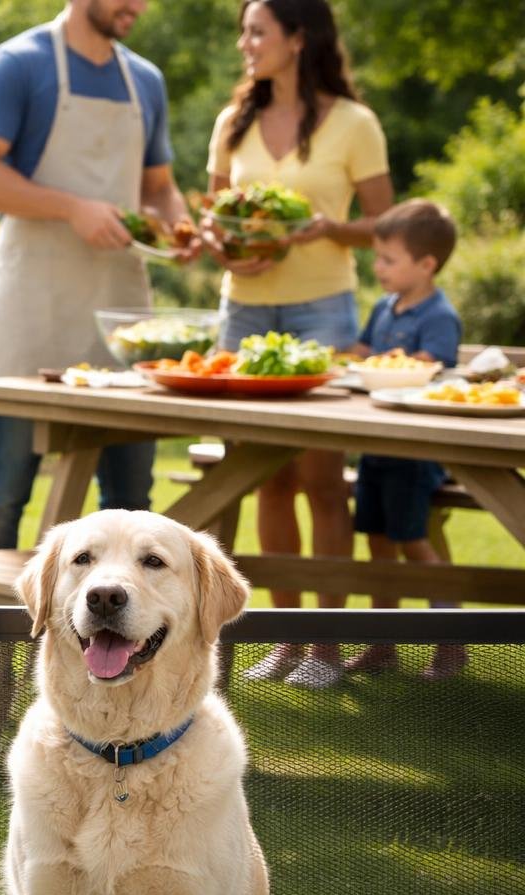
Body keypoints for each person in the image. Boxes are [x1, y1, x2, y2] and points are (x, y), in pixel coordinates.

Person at [0, 0, 199, 556]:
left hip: (121, 315)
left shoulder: (145, 81)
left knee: (133, 501)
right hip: (32, 308)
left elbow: (157, 185)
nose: (137, 6)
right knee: (2, 496)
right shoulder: (17, 64)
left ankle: (135, 644)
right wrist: (72, 208)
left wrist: (178, 230)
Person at [203, 0, 394, 688]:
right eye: (244, 30)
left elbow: (386, 225)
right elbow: (214, 223)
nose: (245, 42)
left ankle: (326, 645)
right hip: (245, 317)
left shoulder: (354, 124)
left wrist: (326, 230)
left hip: (323, 314)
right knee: (266, 479)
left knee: (320, 481)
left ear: (297, 37)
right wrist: (231, 257)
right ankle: (286, 641)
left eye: (258, 31)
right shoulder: (234, 123)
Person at [343, 200, 468, 682]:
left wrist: (382, 363)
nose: (378, 269)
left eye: (388, 260)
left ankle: (451, 645)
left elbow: (428, 369)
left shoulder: (439, 315)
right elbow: (365, 353)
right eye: (376, 258)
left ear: (426, 265)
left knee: (414, 543)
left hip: (414, 453)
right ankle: (383, 643)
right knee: (377, 544)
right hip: (377, 447)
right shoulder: (383, 307)